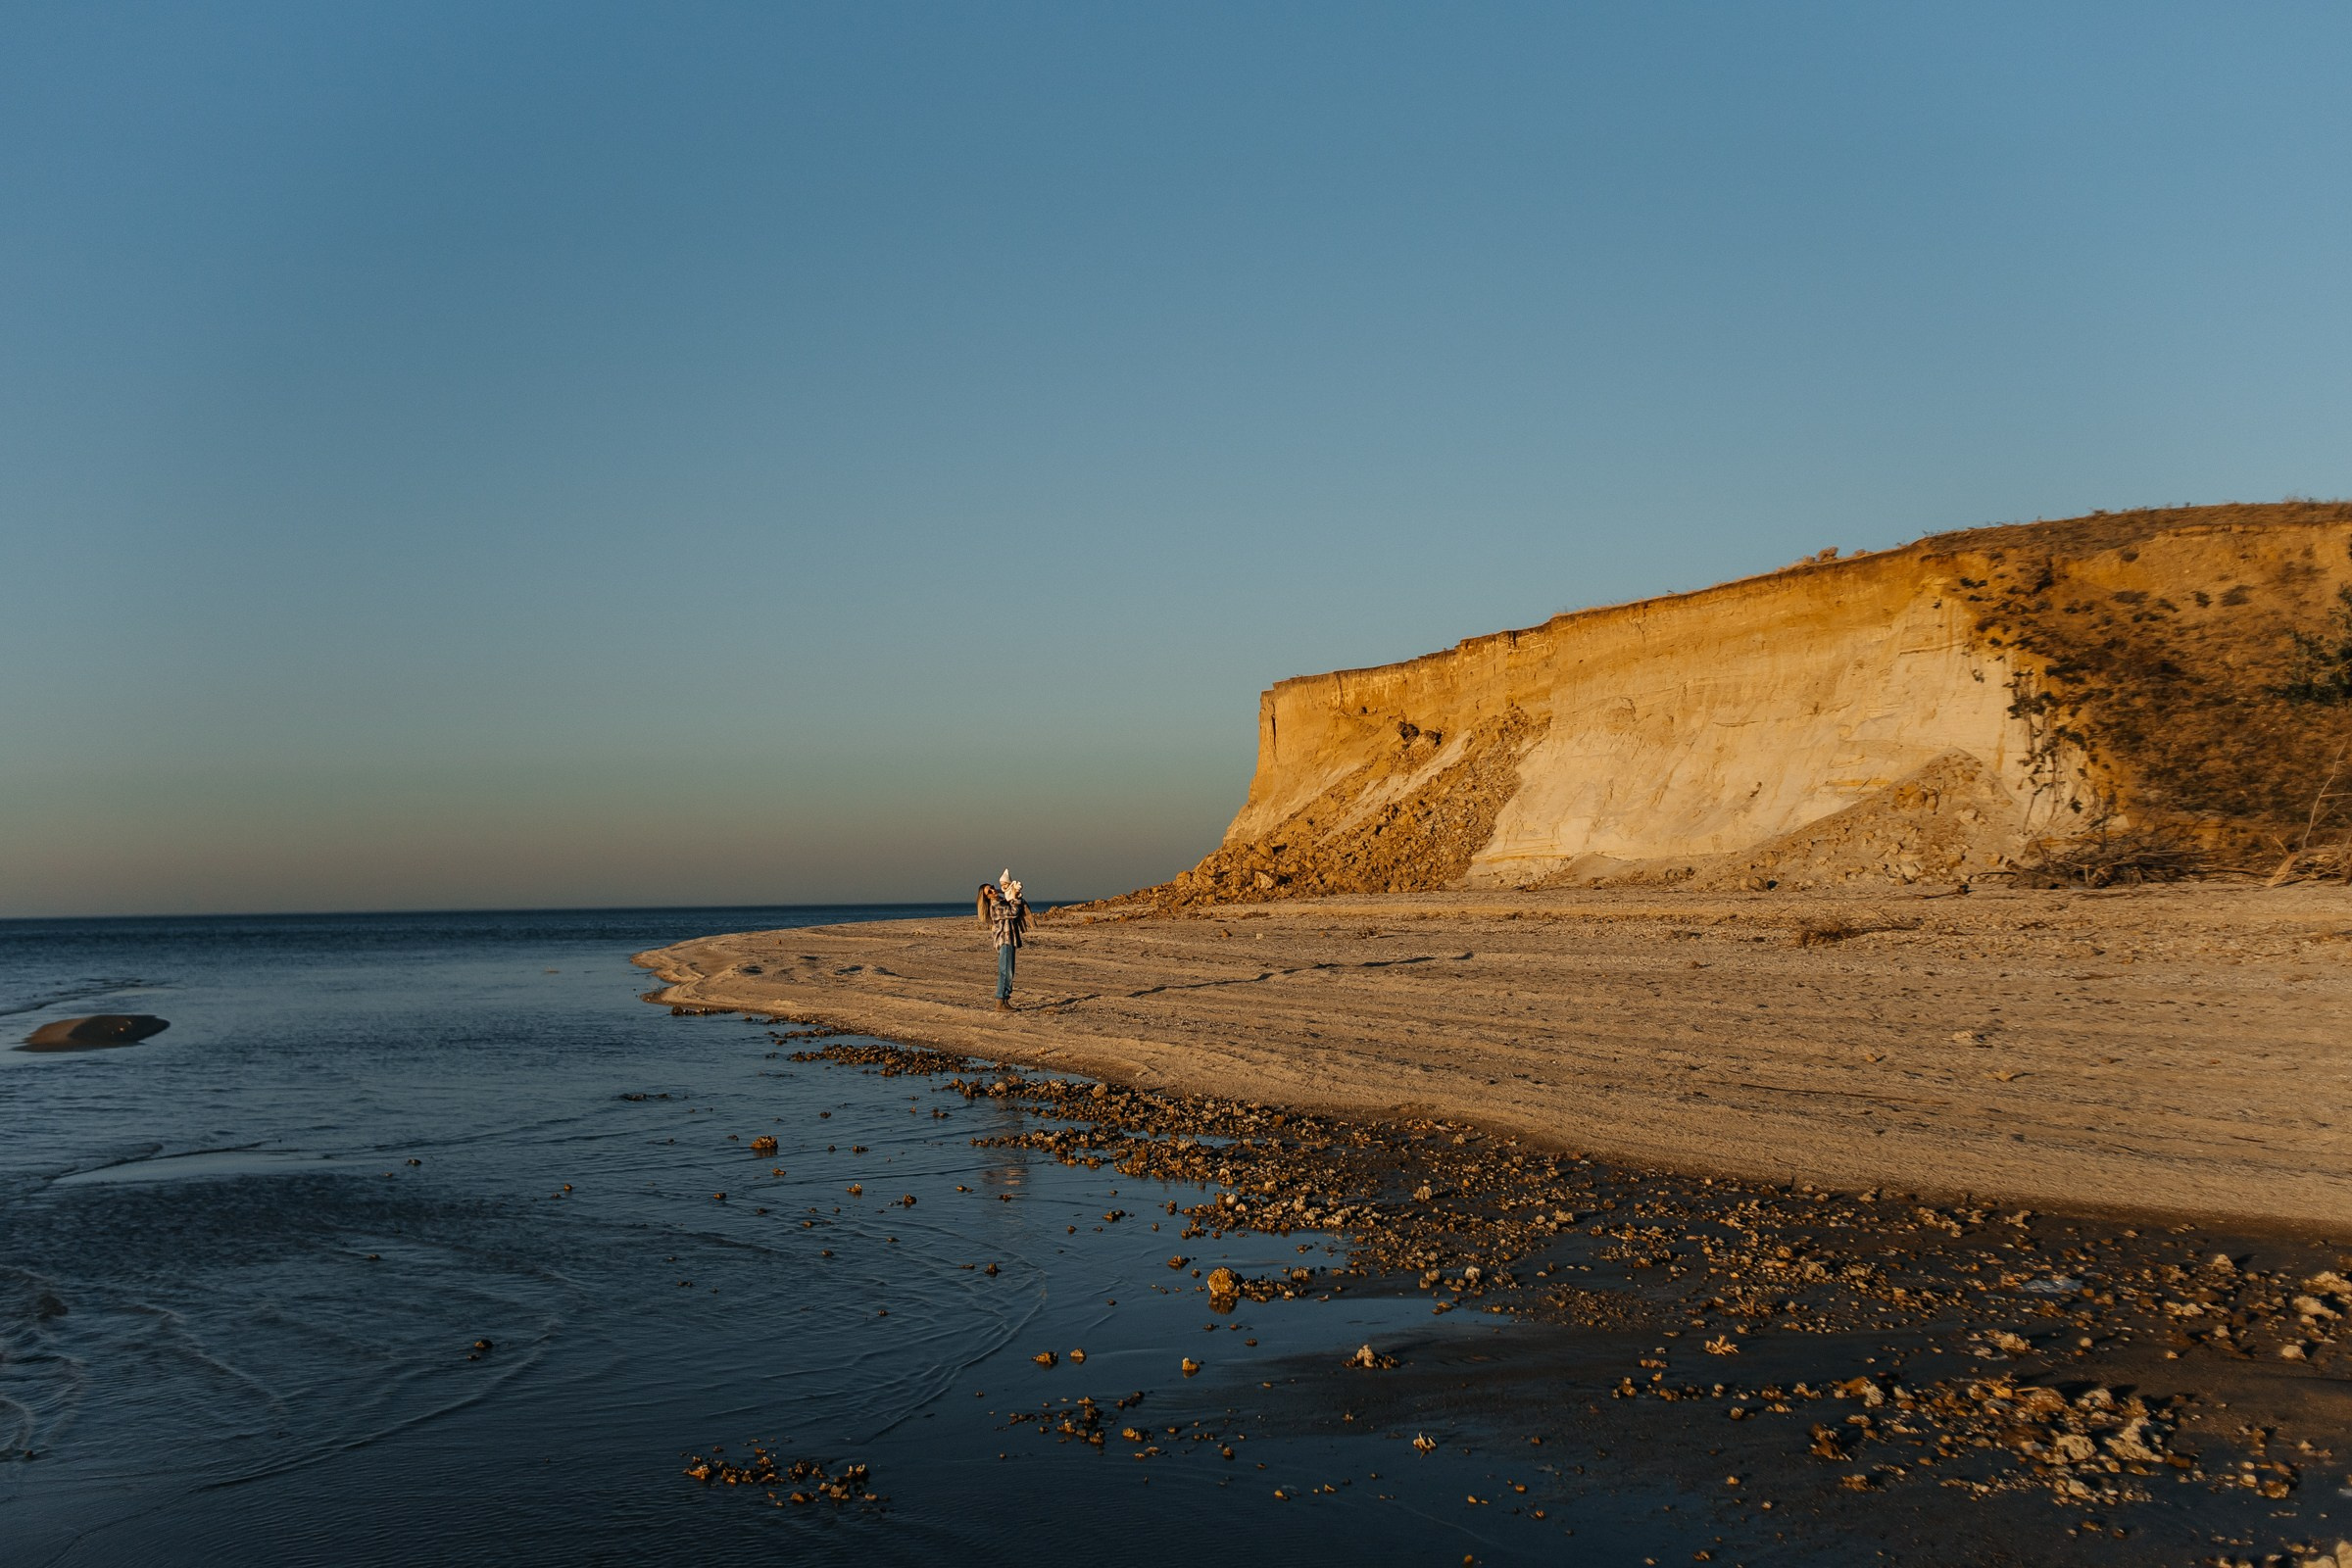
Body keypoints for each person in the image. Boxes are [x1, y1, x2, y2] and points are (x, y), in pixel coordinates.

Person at [983, 868, 1032, 1009]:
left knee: (1008, 970)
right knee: (1006, 971)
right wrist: (1016, 896)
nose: (993, 890)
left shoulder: (1002, 902)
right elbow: (1014, 912)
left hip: (1009, 939)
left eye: (992, 888)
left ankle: (1004, 1000)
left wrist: (1009, 892)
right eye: (989, 891)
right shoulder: (996, 906)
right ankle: (1001, 1000)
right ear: (987, 897)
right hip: (1005, 941)